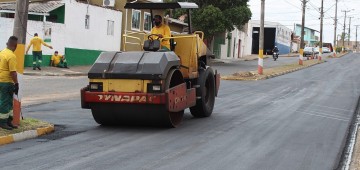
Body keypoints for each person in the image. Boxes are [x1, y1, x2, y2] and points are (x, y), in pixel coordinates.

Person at [0, 36, 20, 130]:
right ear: (15, 46)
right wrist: (16, 84)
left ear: (7, 43)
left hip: (1, 80)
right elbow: (13, 72)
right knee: (6, 102)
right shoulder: (11, 56)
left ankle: (9, 121)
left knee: (7, 102)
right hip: (7, 82)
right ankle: (3, 122)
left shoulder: (2, 52)